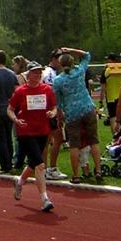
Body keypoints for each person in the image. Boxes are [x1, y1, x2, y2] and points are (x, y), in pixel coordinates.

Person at [8, 61, 56, 212]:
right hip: (26, 132)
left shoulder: (47, 90)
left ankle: (20, 182)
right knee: (40, 165)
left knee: (33, 164)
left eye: (39, 72)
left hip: (42, 130)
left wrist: (52, 113)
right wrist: (16, 119)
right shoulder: (21, 91)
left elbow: (54, 107)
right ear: (28, 74)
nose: (38, 75)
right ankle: (45, 199)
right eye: (35, 72)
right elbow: (9, 109)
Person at [53, 47, 103, 183]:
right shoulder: (80, 71)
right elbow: (87, 55)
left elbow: (58, 103)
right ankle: (98, 170)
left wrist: (59, 117)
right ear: (73, 62)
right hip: (87, 107)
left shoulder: (58, 81)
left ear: (61, 64)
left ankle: (75, 175)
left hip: (72, 112)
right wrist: (69, 49)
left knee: (74, 145)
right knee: (94, 141)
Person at [42, 49, 67, 180]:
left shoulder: (49, 72)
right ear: (54, 59)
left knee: (49, 140)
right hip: (50, 110)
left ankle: (45, 168)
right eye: (59, 59)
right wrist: (58, 112)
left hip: (46, 110)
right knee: (57, 138)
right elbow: (52, 95)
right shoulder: (50, 74)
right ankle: (50, 168)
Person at [100, 53, 121, 135]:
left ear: (111, 60)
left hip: (111, 98)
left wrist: (101, 100)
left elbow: (103, 87)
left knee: (112, 118)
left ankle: (115, 138)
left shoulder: (106, 70)